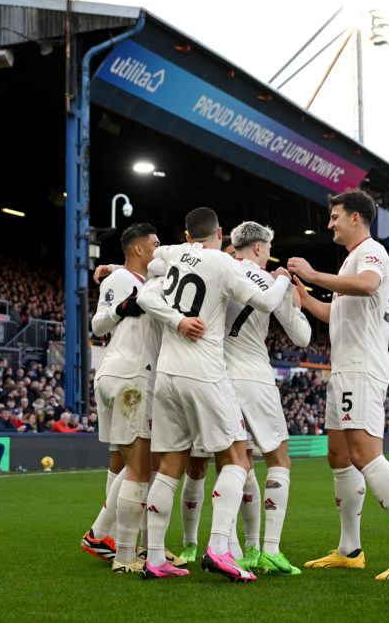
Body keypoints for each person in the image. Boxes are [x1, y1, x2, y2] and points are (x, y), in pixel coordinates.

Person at [288, 188, 389, 580]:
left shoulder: (371, 252)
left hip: (361, 367)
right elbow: (335, 312)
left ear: (356, 217)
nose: (330, 223)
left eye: (335, 216)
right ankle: (349, 549)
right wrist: (305, 298)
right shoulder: (351, 261)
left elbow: (370, 284)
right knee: (338, 454)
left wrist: (312, 274)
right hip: (343, 367)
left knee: (365, 452)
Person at [136, 206, 291, 581]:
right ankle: (218, 548)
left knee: (170, 467)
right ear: (220, 233)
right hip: (204, 373)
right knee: (237, 459)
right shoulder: (224, 265)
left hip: (167, 375)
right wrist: (283, 278)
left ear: (187, 235)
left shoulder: (172, 253)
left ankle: (155, 558)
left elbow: (145, 293)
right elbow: (268, 302)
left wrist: (176, 319)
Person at [85, 223, 197, 574]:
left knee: (130, 462)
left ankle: (118, 540)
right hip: (130, 375)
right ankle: (124, 552)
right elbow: (97, 324)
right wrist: (121, 306)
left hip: (129, 374)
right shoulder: (122, 282)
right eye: (156, 243)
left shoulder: (143, 281)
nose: (160, 248)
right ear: (138, 249)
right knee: (141, 465)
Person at [221, 221, 312, 575]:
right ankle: (270, 548)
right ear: (259, 248)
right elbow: (302, 337)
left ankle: (236, 549)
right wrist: (292, 296)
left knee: (234, 463)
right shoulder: (269, 280)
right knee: (278, 458)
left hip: (218, 377)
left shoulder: (220, 267)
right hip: (254, 377)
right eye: (269, 248)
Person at [177, 231, 243, 565]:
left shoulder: (239, 284)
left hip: (230, 383)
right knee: (197, 466)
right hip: (202, 378)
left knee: (234, 463)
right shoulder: (213, 278)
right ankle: (192, 542)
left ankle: (232, 543)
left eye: (237, 253)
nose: (233, 258)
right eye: (229, 252)